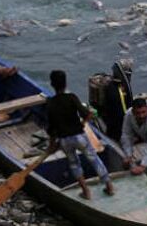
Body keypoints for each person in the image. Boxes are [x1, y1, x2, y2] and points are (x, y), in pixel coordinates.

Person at [46, 70, 114, 199]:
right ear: (65, 83)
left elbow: (52, 129)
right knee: (94, 158)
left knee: (74, 164)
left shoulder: (50, 104)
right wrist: (82, 123)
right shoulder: (72, 97)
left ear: (52, 84)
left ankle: (86, 191)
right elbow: (88, 113)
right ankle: (109, 186)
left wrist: (51, 146)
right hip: (79, 136)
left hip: (64, 140)